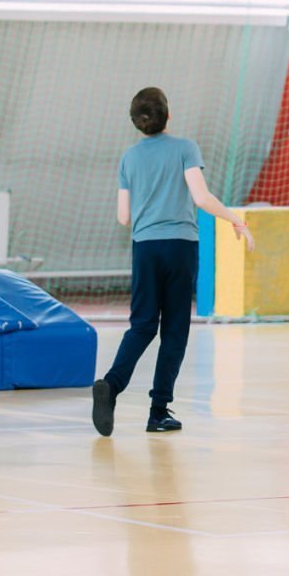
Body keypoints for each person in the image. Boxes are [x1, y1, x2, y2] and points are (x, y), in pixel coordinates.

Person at [93, 87, 252, 437]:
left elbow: (123, 217)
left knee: (142, 326)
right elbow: (201, 197)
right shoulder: (185, 148)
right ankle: (158, 411)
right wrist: (234, 219)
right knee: (175, 331)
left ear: (136, 122)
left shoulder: (128, 158)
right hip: (180, 247)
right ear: (168, 115)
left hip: (145, 249)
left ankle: (111, 385)